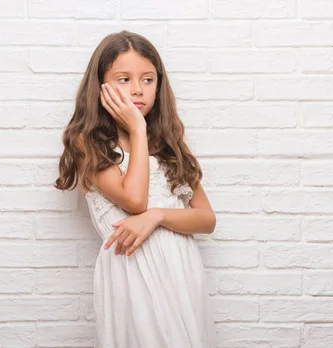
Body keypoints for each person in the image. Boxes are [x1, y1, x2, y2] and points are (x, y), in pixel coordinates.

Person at [54, 30, 217, 348]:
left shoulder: (170, 147)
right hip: (131, 271)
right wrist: (138, 129)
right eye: (124, 79)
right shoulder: (89, 145)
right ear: (100, 85)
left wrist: (157, 216)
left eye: (148, 79)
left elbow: (206, 219)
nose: (138, 90)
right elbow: (134, 199)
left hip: (180, 269)